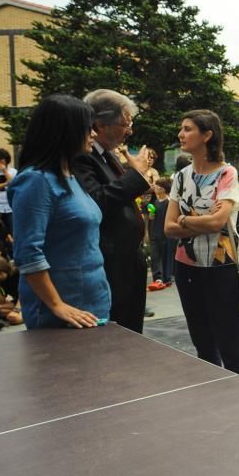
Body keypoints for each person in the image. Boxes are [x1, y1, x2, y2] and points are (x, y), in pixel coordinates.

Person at [7, 94, 110, 329]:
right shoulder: (36, 181)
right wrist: (56, 304)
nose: (93, 134)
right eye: (87, 128)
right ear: (66, 131)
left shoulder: (69, 177)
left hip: (92, 299)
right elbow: (28, 252)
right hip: (62, 308)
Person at [164, 110, 239, 375]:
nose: (181, 134)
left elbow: (218, 223)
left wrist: (186, 222)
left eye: (188, 129)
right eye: (181, 128)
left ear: (207, 135)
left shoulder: (227, 173)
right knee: (202, 342)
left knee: (230, 342)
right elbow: (168, 227)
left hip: (221, 266)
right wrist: (198, 220)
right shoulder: (181, 177)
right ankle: (212, 395)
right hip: (187, 267)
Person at [73, 89, 153, 333]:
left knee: (132, 330)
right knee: (117, 331)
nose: (129, 131)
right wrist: (135, 176)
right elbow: (98, 201)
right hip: (110, 261)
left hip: (129, 259)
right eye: (124, 123)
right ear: (99, 124)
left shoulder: (108, 156)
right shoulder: (82, 157)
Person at [147, 177, 175, 289]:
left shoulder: (169, 203)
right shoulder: (155, 202)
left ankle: (167, 277)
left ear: (163, 189)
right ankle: (157, 278)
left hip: (166, 234)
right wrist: (151, 216)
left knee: (167, 255)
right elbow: (151, 218)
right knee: (155, 256)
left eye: (157, 186)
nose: (155, 187)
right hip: (155, 233)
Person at [0, 148, 16, 249]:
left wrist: (4, 171)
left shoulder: (13, 171)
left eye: (1, 159)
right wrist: (6, 183)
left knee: (12, 233)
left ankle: (13, 256)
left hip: (10, 207)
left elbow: (15, 185)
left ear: (6, 159)